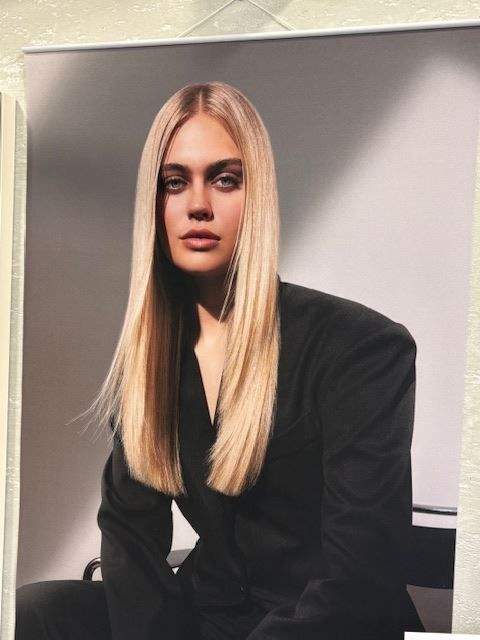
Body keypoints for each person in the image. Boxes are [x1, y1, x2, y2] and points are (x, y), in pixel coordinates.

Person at [15, 81, 425, 640]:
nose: (198, 204)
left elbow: (360, 575)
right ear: (155, 205)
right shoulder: (151, 360)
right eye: (175, 182)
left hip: (323, 624)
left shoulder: (361, 347)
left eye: (225, 179)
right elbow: (130, 537)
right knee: (35, 613)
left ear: (257, 197)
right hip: (210, 614)